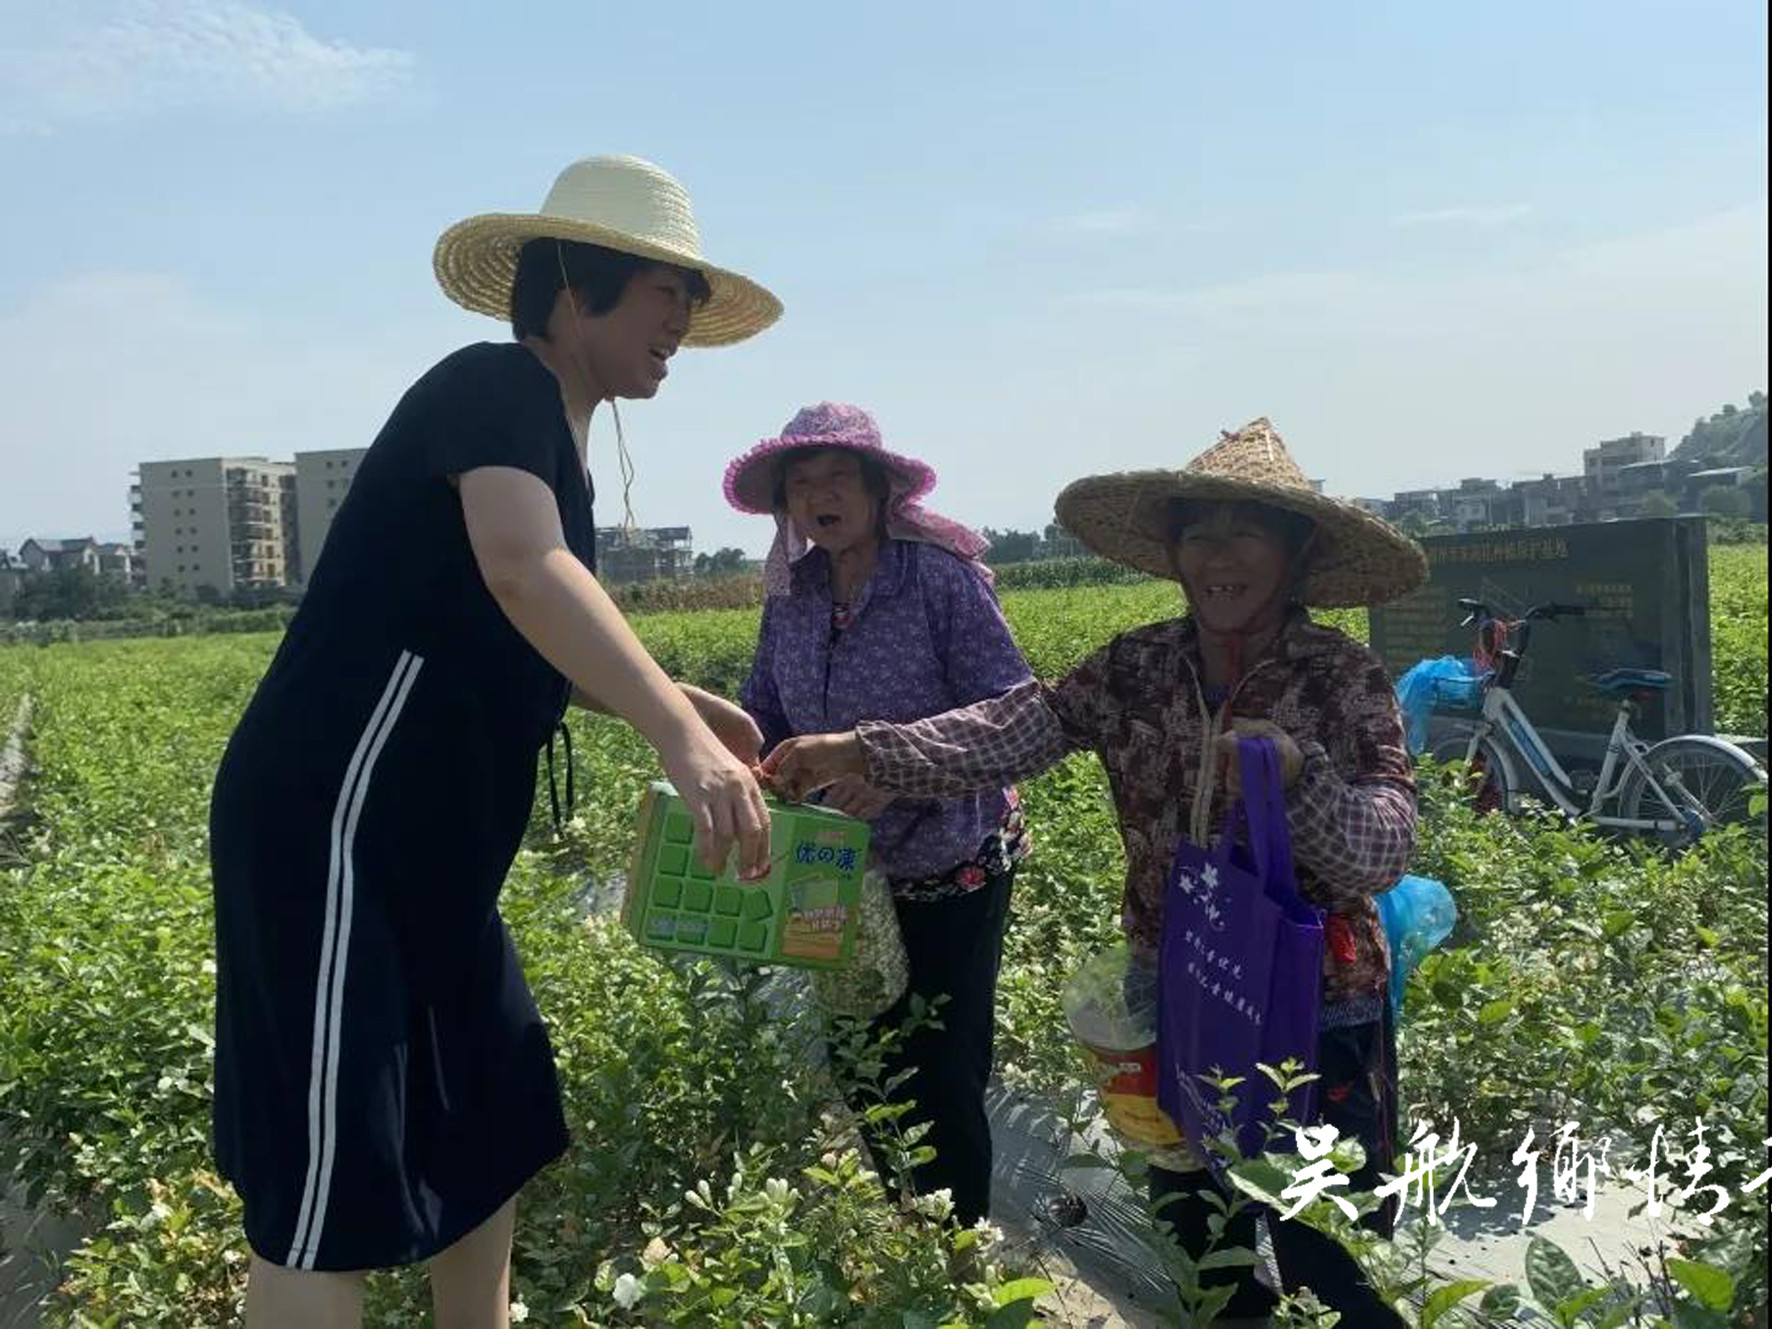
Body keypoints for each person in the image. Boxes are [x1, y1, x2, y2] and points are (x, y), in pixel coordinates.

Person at [208, 155, 781, 1329]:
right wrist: (678, 736)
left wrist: (660, 694)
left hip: (431, 855)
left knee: (486, 1108)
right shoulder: (495, 385)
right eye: (664, 286)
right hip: (340, 827)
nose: (681, 317)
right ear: (577, 287)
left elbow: (489, 628)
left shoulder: (548, 443)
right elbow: (523, 572)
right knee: (333, 1177)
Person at [766, 418, 1427, 1324]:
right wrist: (864, 751)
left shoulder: (1340, 677)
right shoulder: (1138, 666)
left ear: (1297, 550)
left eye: (1246, 531)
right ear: (1173, 549)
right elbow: (1016, 728)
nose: (1219, 556)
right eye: (1199, 531)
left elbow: (1387, 843)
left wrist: (1300, 777)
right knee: (1196, 1225)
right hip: (1175, 990)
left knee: (1323, 1238)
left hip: (1314, 1004)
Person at [723, 402, 1034, 1228]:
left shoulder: (937, 579)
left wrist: (894, 770)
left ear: (876, 488)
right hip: (836, 864)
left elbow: (1013, 710)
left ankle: (958, 1250)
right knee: (860, 1054)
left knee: (938, 1061)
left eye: (836, 477)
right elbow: (767, 705)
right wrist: (749, 758)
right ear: (786, 505)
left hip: (949, 854)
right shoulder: (793, 592)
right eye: (801, 483)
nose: (819, 495)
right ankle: (910, 1223)